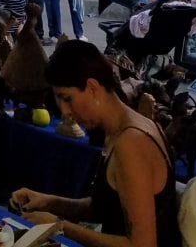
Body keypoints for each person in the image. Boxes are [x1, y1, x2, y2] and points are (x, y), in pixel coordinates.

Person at [13, 40, 181, 247]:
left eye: (68, 98)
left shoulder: (131, 144)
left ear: (92, 87)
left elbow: (142, 244)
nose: (65, 111)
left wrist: (59, 226)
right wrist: (50, 202)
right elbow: (108, 207)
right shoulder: (122, 129)